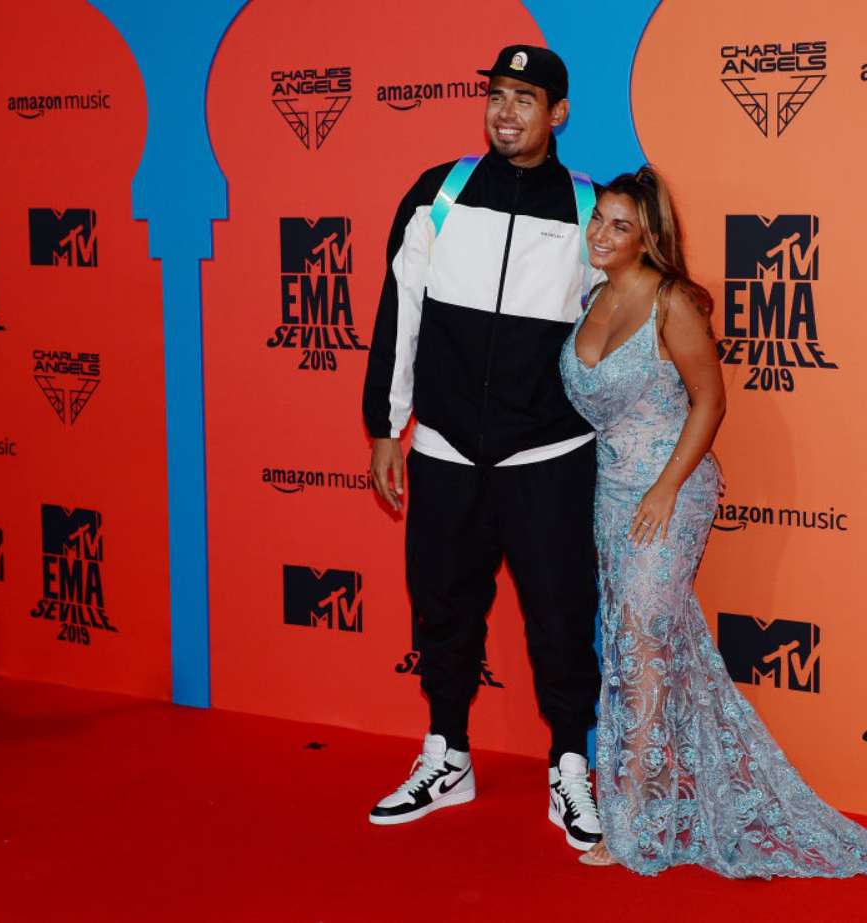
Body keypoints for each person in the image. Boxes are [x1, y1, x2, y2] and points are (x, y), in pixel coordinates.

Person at [559, 166, 867, 881]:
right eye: (598, 219)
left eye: (620, 225)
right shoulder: (593, 296)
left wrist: (666, 488)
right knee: (636, 644)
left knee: (642, 651)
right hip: (611, 494)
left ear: (648, 237)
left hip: (671, 495)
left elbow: (710, 402)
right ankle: (663, 799)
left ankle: (634, 826)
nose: (601, 234)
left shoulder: (673, 303)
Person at [360, 45, 603, 852]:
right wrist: (386, 424)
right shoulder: (440, 192)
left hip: (549, 454)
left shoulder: (590, 209)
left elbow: (615, 333)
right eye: (498, 95)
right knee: (444, 607)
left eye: (525, 98)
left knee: (561, 616)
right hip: (445, 448)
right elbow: (400, 310)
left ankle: (570, 764)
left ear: (558, 113)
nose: (506, 112)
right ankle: (448, 754)